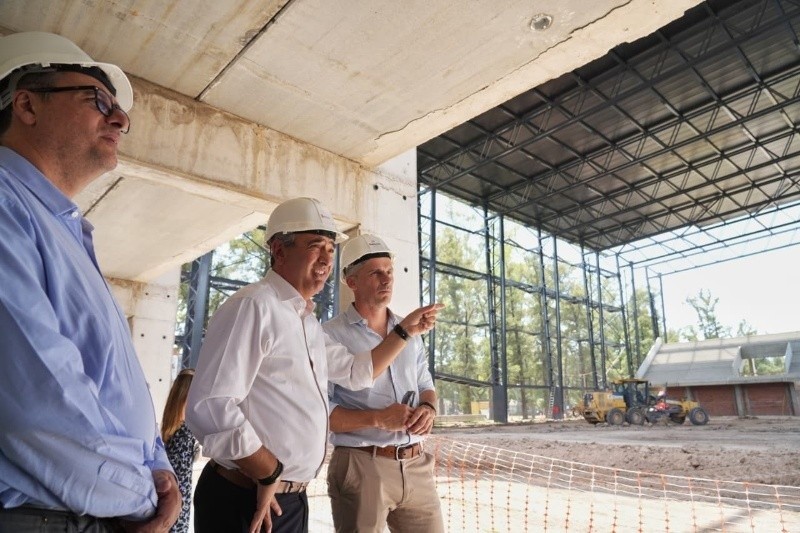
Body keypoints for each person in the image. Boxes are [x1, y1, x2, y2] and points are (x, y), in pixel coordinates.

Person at [0, 31, 181, 532]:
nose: (120, 118)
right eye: (98, 101)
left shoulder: (62, 229)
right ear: (27, 106)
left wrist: (157, 464)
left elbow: (105, 383)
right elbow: (36, 405)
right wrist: (145, 494)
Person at [185, 197, 442, 533]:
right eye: (315, 246)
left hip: (287, 496)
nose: (326, 259)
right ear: (279, 250)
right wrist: (268, 471)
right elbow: (210, 406)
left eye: (331, 249)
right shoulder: (254, 307)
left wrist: (405, 330)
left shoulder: (304, 321)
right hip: (248, 494)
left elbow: (356, 371)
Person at [323, 234, 444, 533]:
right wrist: (378, 418)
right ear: (352, 282)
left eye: (389, 271)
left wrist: (428, 407)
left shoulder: (409, 330)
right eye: (375, 272)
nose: (386, 279)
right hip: (361, 464)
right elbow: (321, 413)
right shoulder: (328, 336)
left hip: (416, 464)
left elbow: (424, 382)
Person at [161, 369, 200, 533]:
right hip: (176, 512)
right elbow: (181, 482)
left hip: (167, 508)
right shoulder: (185, 433)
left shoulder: (171, 430)